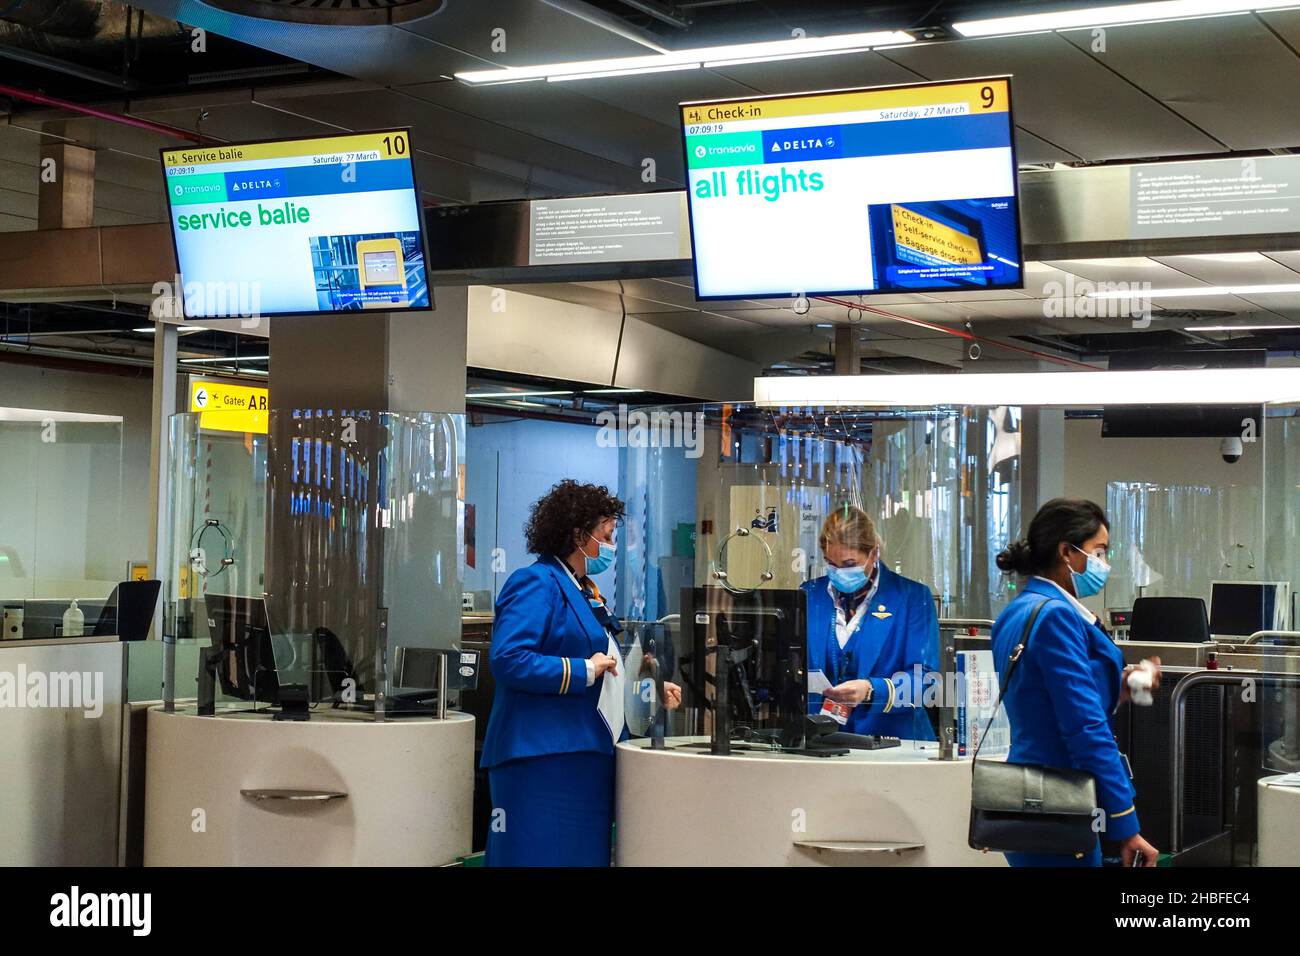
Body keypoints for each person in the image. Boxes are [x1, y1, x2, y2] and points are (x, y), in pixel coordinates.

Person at [480, 479, 681, 866]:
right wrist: (581, 670)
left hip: (585, 758)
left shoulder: (583, 590)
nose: (611, 546)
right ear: (578, 535)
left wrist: (647, 690)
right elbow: (509, 659)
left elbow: (605, 669)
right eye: (606, 534)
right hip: (542, 760)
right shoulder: (536, 582)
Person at [992, 497, 1161, 867]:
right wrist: (1125, 823)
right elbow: (1084, 726)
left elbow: (1047, 698)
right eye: (1099, 551)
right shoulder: (1056, 617)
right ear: (1067, 552)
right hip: (1057, 801)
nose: (1105, 563)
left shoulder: (1019, 610)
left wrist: (1123, 684)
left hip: (1030, 795)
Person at [802, 505, 938, 740]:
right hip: (822, 742)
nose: (838, 572)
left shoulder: (911, 598)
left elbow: (925, 679)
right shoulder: (809, 595)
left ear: (874, 554)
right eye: (830, 564)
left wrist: (872, 690)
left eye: (848, 564)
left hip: (894, 742)